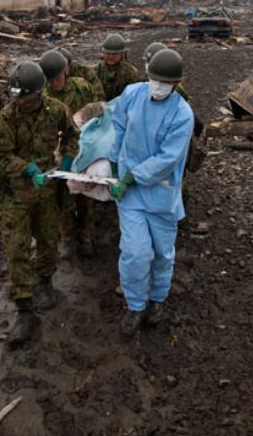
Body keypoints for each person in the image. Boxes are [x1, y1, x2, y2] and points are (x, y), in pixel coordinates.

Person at [0, 61, 78, 346]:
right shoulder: (6, 118)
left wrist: (66, 158)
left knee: (49, 239)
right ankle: (24, 307)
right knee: (16, 247)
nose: (20, 100)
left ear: (39, 92)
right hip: (16, 192)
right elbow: (0, 158)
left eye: (25, 96)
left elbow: (73, 136)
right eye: (17, 96)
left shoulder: (55, 111)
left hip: (47, 190)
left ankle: (45, 280)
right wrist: (27, 169)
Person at [108, 49, 194, 337]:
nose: (157, 87)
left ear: (175, 83)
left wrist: (132, 176)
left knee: (161, 253)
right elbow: (118, 126)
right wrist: (113, 163)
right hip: (130, 195)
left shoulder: (182, 114)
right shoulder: (132, 94)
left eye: (164, 83)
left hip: (160, 193)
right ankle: (135, 305)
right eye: (154, 80)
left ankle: (157, 300)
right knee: (135, 253)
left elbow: (168, 158)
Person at [39, 49, 101, 257]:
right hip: (59, 152)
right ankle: (67, 237)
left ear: (66, 70)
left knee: (86, 196)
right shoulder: (43, 97)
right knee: (62, 199)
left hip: (85, 150)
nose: (56, 82)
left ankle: (87, 236)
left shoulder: (82, 88)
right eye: (51, 79)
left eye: (58, 76)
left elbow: (99, 113)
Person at [94, 33, 141, 101]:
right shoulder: (97, 70)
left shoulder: (130, 72)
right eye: (108, 53)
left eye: (114, 54)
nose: (110, 57)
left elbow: (135, 95)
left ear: (121, 54)